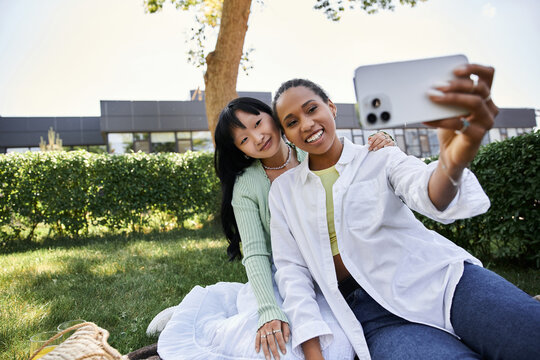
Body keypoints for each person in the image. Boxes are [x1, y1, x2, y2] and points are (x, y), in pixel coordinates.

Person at [268, 66, 540, 360]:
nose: (306, 124)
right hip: (373, 314)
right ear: (286, 135)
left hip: (442, 280)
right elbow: (291, 271)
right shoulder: (283, 191)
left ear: (331, 108)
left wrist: (452, 161)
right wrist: (313, 350)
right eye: (292, 121)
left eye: (312, 109)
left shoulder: (380, 155)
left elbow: (426, 191)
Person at [153, 97, 396, 360]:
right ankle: (197, 319)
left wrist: (383, 140)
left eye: (258, 123)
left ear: (273, 117)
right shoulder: (247, 186)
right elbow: (256, 254)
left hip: (330, 271)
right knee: (284, 349)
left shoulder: (309, 151)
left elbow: (353, 163)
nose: (257, 137)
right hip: (285, 277)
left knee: (342, 344)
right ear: (242, 151)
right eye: (244, 139)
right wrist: (269, 310)